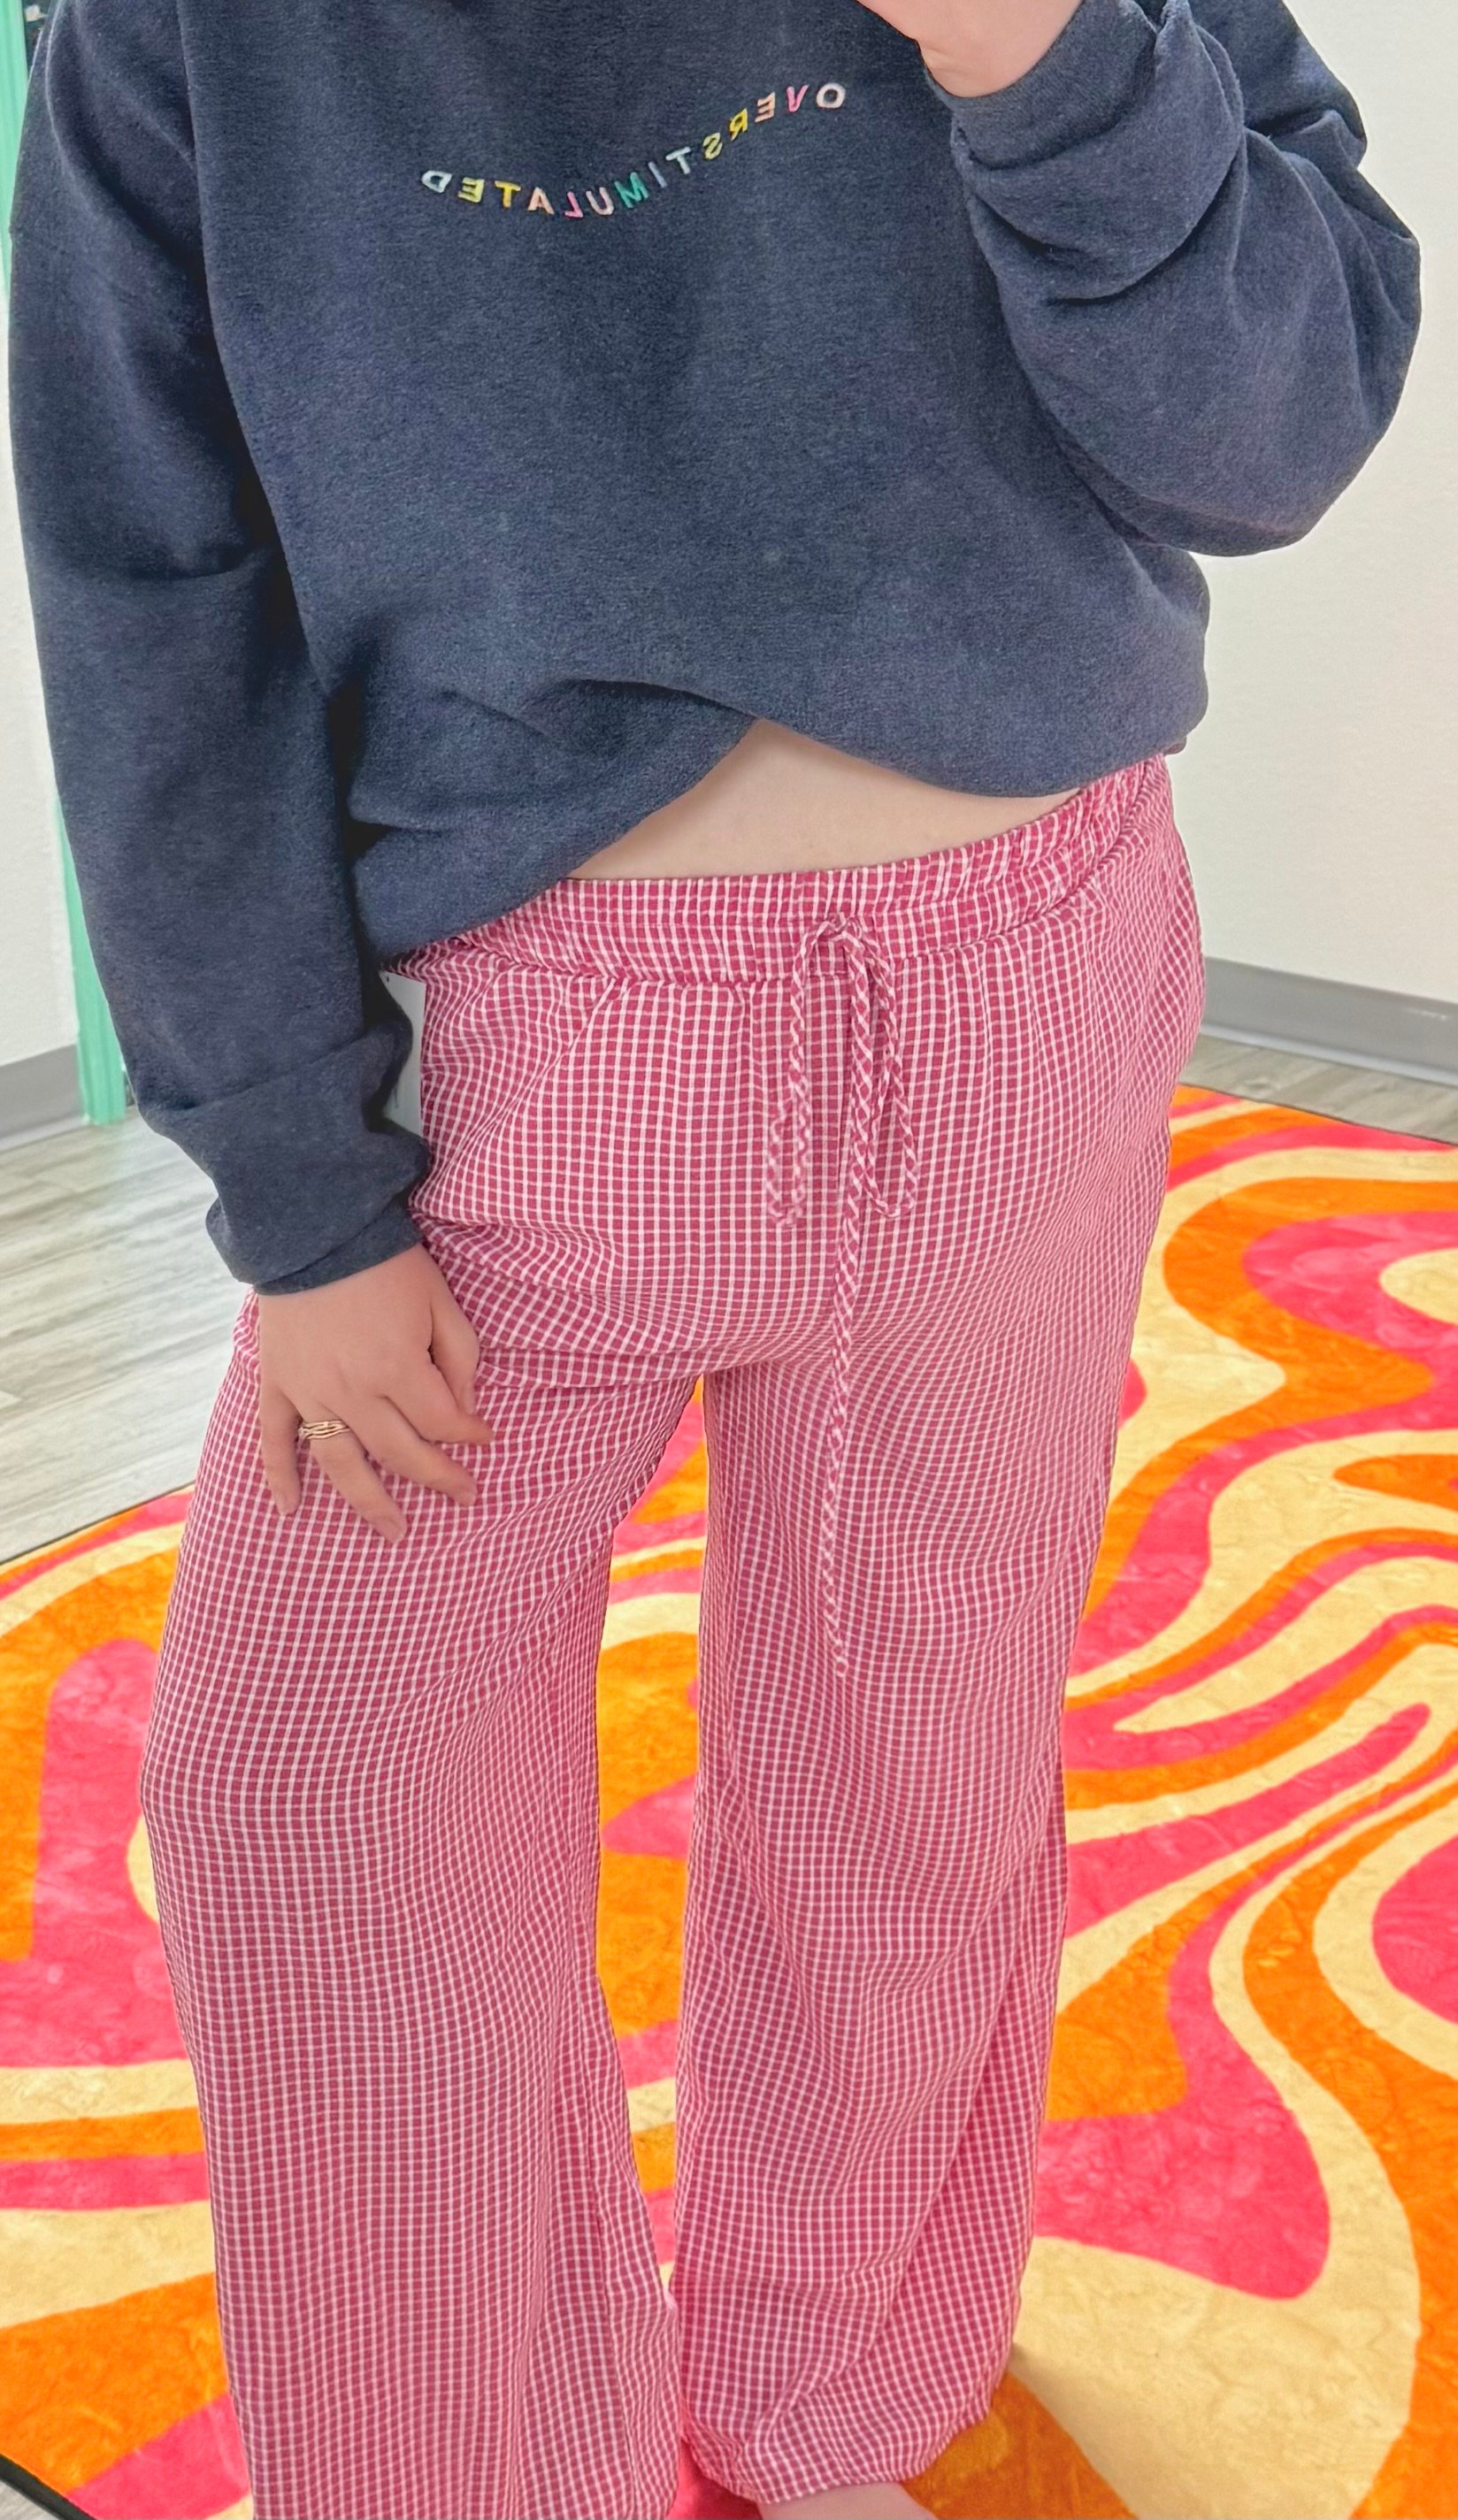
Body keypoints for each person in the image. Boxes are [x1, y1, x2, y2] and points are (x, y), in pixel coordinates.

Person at [5, 0, 1420, 2510]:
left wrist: (1034, 55)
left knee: (917, 1758)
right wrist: (299, 1193)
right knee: (309, 1811)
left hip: (1036, 965)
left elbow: (1279, 429)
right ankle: (467, 2473)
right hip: (513, 1059)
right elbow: (152, 587)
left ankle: (836, 2403)